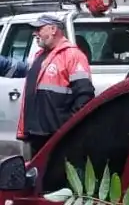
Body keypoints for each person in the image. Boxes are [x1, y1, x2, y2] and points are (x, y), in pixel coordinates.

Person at [17, 14, 95, 155]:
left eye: (39, 29)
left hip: (58, 138)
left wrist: (68, 128)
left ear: (53, 29)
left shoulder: (73, 56)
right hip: (37, 136)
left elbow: (85, 96)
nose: (35, 33)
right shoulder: (40, 56)